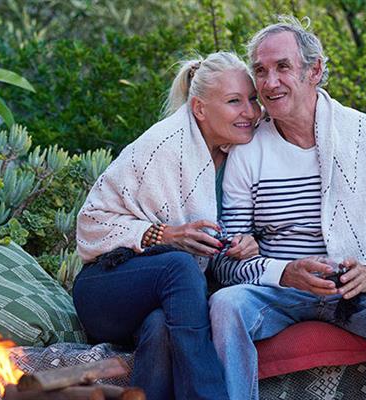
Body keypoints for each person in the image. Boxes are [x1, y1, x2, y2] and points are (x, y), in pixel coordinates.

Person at [209, 16, 366, 400]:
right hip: (279, 292)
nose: (269, 83)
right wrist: (286, 273)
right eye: (260, 71)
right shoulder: (248, 150)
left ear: (314, 70)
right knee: (225, 305)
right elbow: (227, 261)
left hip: (357, 293)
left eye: (282, 67)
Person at [73, 51, 261, 400]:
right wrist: (163, 234)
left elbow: (238, 232)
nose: (249, 112)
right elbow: (89, 224)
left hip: (167, 300)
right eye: (235, 101)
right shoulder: (164, 146)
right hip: (107, 288)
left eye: (252, 99)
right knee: (178, 264)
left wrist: (246, 244)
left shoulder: (242, 154)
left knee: (160, 328)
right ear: (200, 109)